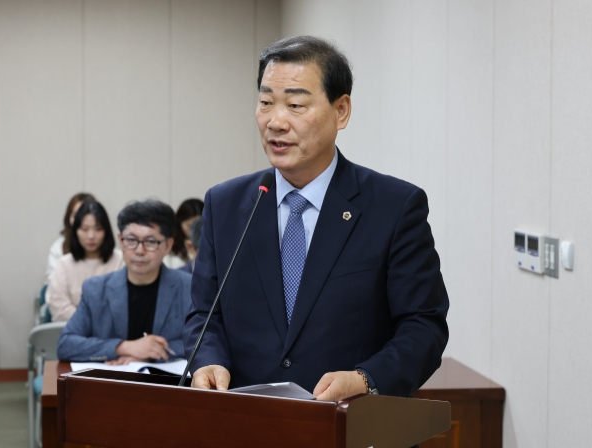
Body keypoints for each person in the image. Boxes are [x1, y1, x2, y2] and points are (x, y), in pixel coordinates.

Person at [182, 36, 449, 402]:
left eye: (295, 105)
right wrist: (207, 361)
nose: (276, 122)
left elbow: (423, 326)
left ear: (341, 111)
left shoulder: (395, 206)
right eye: (265, 103)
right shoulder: (225, 204)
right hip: (244, 417)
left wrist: (365, 379)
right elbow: (203, 314)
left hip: (350, 420)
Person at [57, 200, 192, 363]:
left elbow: (205, 342)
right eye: (131, 240)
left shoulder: (189, 287)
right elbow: (66, 345)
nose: (139, 251)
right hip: (112, 377)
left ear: (168, 245)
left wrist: (151, 353)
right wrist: (124, 347)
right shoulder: (96, 289)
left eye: (150, 242)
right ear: (120, 241)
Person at [47, 199, 124, 322]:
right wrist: (88, 322)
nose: (91, 236)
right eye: (84, 229)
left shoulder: (121, 260)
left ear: (106, 231)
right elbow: (59, 308)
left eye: (98, 229)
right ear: (75, 231)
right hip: (73, 329)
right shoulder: (64, 264)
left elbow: (123, 303)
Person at [45, 192, 96, 281]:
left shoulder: (109, 250)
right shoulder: (58, 247)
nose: (80, 221)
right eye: (76, 215)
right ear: (68, 218)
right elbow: (54, 283)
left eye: (85, 215)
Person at [165, 198, 204, 268]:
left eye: (198, 225)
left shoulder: (213, 244)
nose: (193, 229)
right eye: (189, 225)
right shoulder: (170, 246)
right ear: (179, 223)